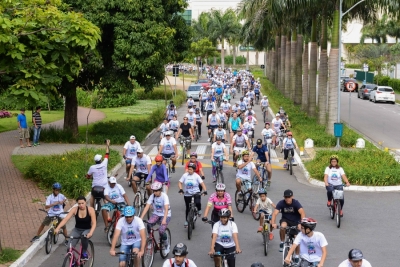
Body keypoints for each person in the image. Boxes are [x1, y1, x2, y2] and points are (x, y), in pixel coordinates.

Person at [55, 196, 96, 261]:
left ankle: (84, 252)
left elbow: (94, 223)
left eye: (82, 203)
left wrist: (91, 232)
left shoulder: (90, 210)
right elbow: (66, 219)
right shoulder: (75, 209)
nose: (81, 205)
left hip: (87, 230)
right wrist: (58, 228)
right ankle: (72, 262)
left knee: (84, 237)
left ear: (85, 202)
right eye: (79, 203)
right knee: (69, 248)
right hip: (77, 230)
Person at [271, 189, 306, 256]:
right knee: (282, 227)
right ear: (284, 197)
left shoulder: (296, 203)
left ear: (292, 197)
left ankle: (297, 256)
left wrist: (301, 223)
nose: (287, 199)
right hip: (285, 220)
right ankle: (282, 242)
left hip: (296, 222)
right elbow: (275, 213)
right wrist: (273, 223)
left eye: (289, 197)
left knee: (297, 239)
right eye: (286, 197)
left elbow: (302, 213)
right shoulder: (281, 203)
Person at [140, 182, 172, 254]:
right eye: (154, 191)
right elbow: (147, 207)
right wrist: (141, 218)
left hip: (166, 215)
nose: (155, 192)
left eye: (156, 191)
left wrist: (164, 219)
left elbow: (166, 209)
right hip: (156, 214)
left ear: (160, 190)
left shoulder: (164, 196)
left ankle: (166, 245)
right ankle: (150, 240)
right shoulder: (152, 196)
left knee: (161, 230)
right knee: (148, 224)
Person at [178, 163, 207, 228]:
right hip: (187, 193)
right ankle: (186, 220)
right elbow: (180, 182)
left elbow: (202, 183)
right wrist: (181, 189)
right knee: (188, 208)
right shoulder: (185, 175)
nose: (189, 170)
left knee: (198, 202)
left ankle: (199, 210)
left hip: (196, 192)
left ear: (194, 170)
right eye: (188, 169)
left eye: (191, 169)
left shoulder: (196, 176)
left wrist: (205, 191)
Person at [86, 139, 110, 208]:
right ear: (101, 160)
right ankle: (107, 214)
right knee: (105, 198)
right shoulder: (104, 163)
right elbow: (107, 153)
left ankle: (92, 210)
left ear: (95, 161)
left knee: (92, 197)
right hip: (104, 186)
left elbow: (88, 176)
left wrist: (87, 177)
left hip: (95, 186)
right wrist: (107, 145)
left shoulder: (92, 167)